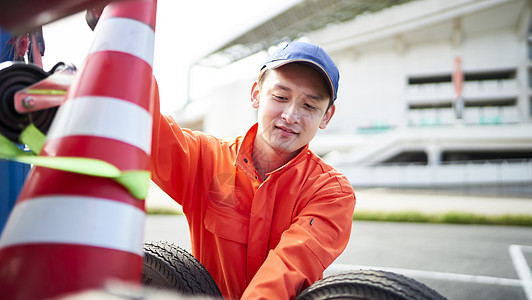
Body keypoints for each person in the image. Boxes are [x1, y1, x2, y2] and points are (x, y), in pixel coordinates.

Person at [150, 41, 356, 299]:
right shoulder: (205, 158)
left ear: (326, 116)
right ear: (256, 94)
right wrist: (125, 38)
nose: (291, 116)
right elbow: (145, 126)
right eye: (281, 97)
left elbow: (291, 265)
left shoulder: (331, 192)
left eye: (310, 106)